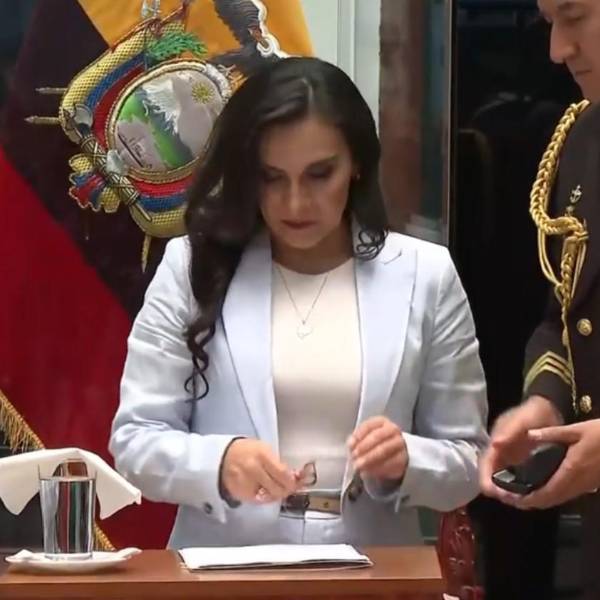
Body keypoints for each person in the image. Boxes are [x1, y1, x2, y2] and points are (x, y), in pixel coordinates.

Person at [110, 56, 488, 549]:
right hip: (223, 567)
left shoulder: (425, 274)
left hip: (374, 567)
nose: (295, 203)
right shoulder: (191, 266)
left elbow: (469, 461)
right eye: (272, 177)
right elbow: (135, 441)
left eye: (319, 175)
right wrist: (220, 463)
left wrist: (407, 461)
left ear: (356, 165)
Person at [480, 1, 600, 597]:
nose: (557, 51)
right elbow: (567, 315)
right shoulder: (583, 137)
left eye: (575, 17)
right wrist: (545, 405)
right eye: (551, 23)